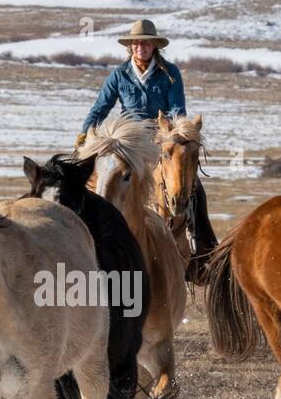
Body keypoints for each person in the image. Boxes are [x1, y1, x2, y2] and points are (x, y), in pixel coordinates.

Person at [78, 19, 217, 281]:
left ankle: (203, 250)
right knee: (98, 177)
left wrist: (173, 131)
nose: (140, 47)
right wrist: (85, 132)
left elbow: (177, 110)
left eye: (145, 42)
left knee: (193, 185)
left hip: (161, 138)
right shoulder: (119, 75)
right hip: (128, 139)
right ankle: (87, 235)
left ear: (154, 46)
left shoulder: (170, 73)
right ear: (130, 47)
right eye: (136, 43)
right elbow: (101, 107)